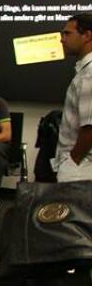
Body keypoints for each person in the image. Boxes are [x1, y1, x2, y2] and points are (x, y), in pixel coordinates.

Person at [55, 12, 92, 182]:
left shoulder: (90, 74)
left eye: (67, 33)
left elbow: (90, 127)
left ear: (87, 36)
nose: (62, 39)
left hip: (81, 169)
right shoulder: (85, 71)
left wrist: (72, 161)